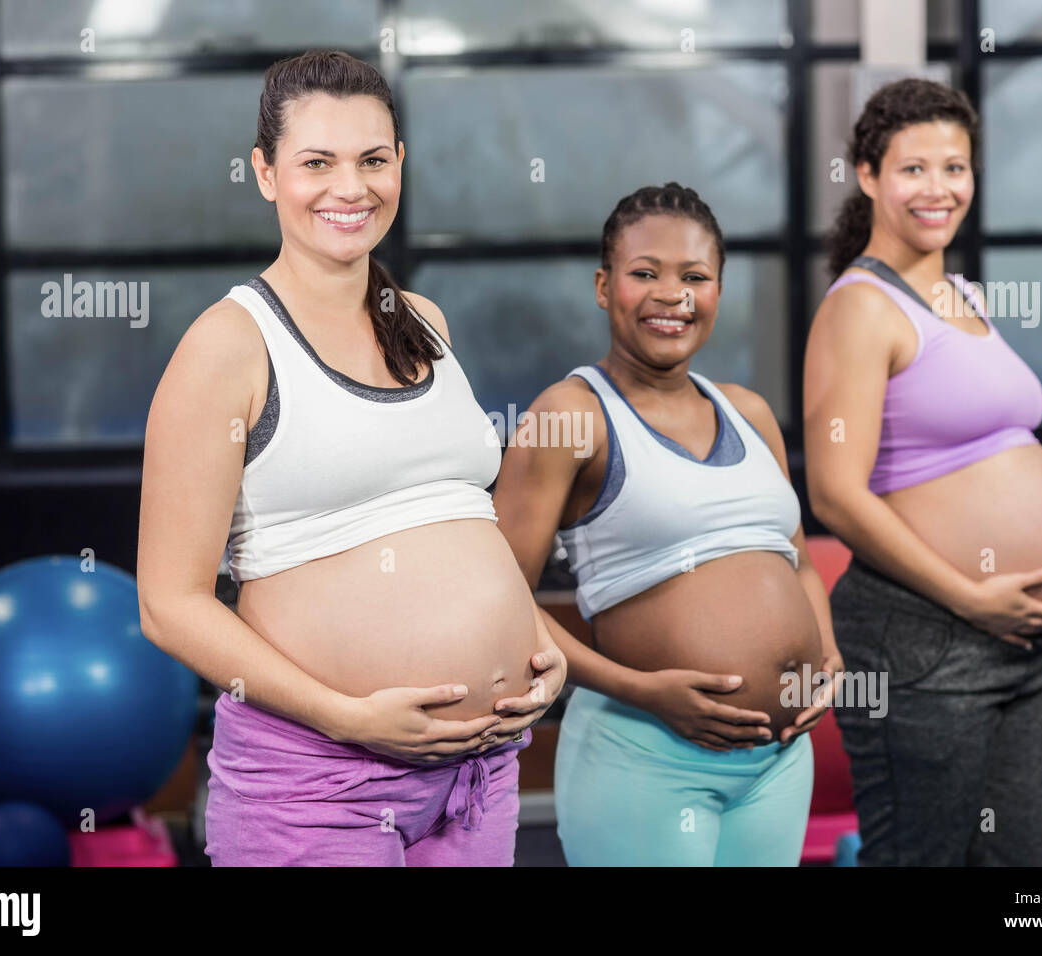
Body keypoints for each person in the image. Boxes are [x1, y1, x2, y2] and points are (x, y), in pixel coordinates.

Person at [136, 50, 566, 866]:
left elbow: (450, 523)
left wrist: (543, 659)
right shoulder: (228, 347)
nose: (351, 187)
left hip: (479, 777)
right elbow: (169, 603)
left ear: (400, 163)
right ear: (265, 173)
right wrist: (344, 714)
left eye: (373, 159)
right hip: (315, 784)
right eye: (316, 163)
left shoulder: (426, 321)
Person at [492, 183, 841, 866]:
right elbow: (497, 599)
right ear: (604, 286)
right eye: (644, 273)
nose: (671, 295)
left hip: (777, 763)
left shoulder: (750, 411)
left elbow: (796, 561)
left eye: (694, 277)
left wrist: (823, 658)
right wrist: (642, 690)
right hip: (644, 755)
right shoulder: (570, 416)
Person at [804, 78, 1042, 866]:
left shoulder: (962, 293)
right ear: (868, 175)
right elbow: (834, 491)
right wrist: (973, 595)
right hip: (928, 636)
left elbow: (991, 454)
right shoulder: (861, 309)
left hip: (1025, 640)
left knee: (1017, 866)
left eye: (955, 167)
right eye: (913, 169)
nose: (939, 189)